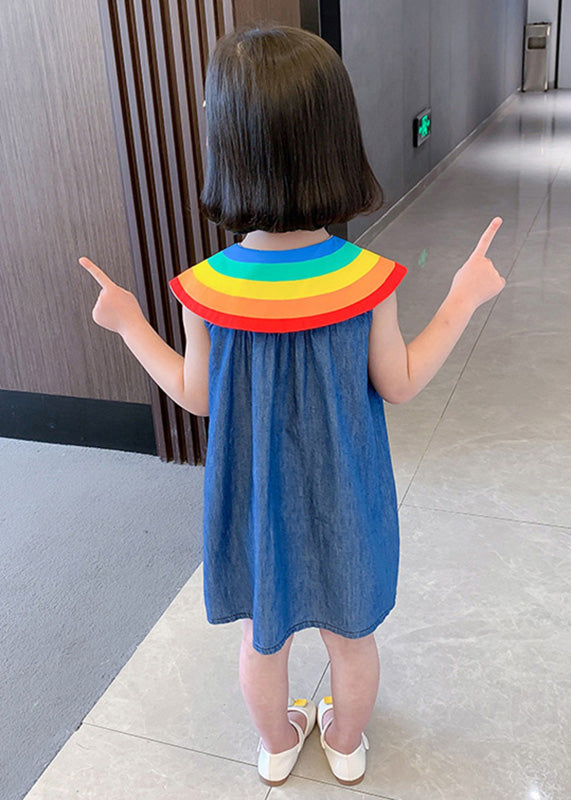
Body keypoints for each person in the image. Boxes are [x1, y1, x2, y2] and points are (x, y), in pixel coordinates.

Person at [79, 24, 505, 789]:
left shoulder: (206, 289)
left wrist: (130, 323)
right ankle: (344, 743)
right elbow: (401, 382)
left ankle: (276, 745)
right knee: (352, 640)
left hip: (254, 504)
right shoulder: (365, 279)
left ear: (227, 146)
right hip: (347, 499)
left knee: (261, 638)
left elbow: (196, 397)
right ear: (336, 142)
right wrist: (462, 297)